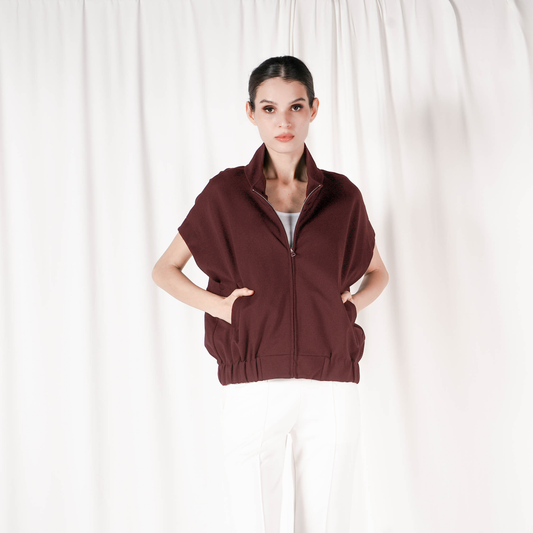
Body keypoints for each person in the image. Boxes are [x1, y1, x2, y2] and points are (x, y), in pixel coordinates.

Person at [152, 56, 389, 533]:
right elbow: (165, 269)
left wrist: (349, 307)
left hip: (331, 383)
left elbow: (377, 273)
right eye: (269, 108)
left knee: (326, 524)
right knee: (253, 522)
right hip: (253, 383)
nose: (284, 121)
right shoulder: (225, 194)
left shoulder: (343, 195)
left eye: (296, 106)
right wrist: (222, 308)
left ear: (313, 109)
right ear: (251, 113)